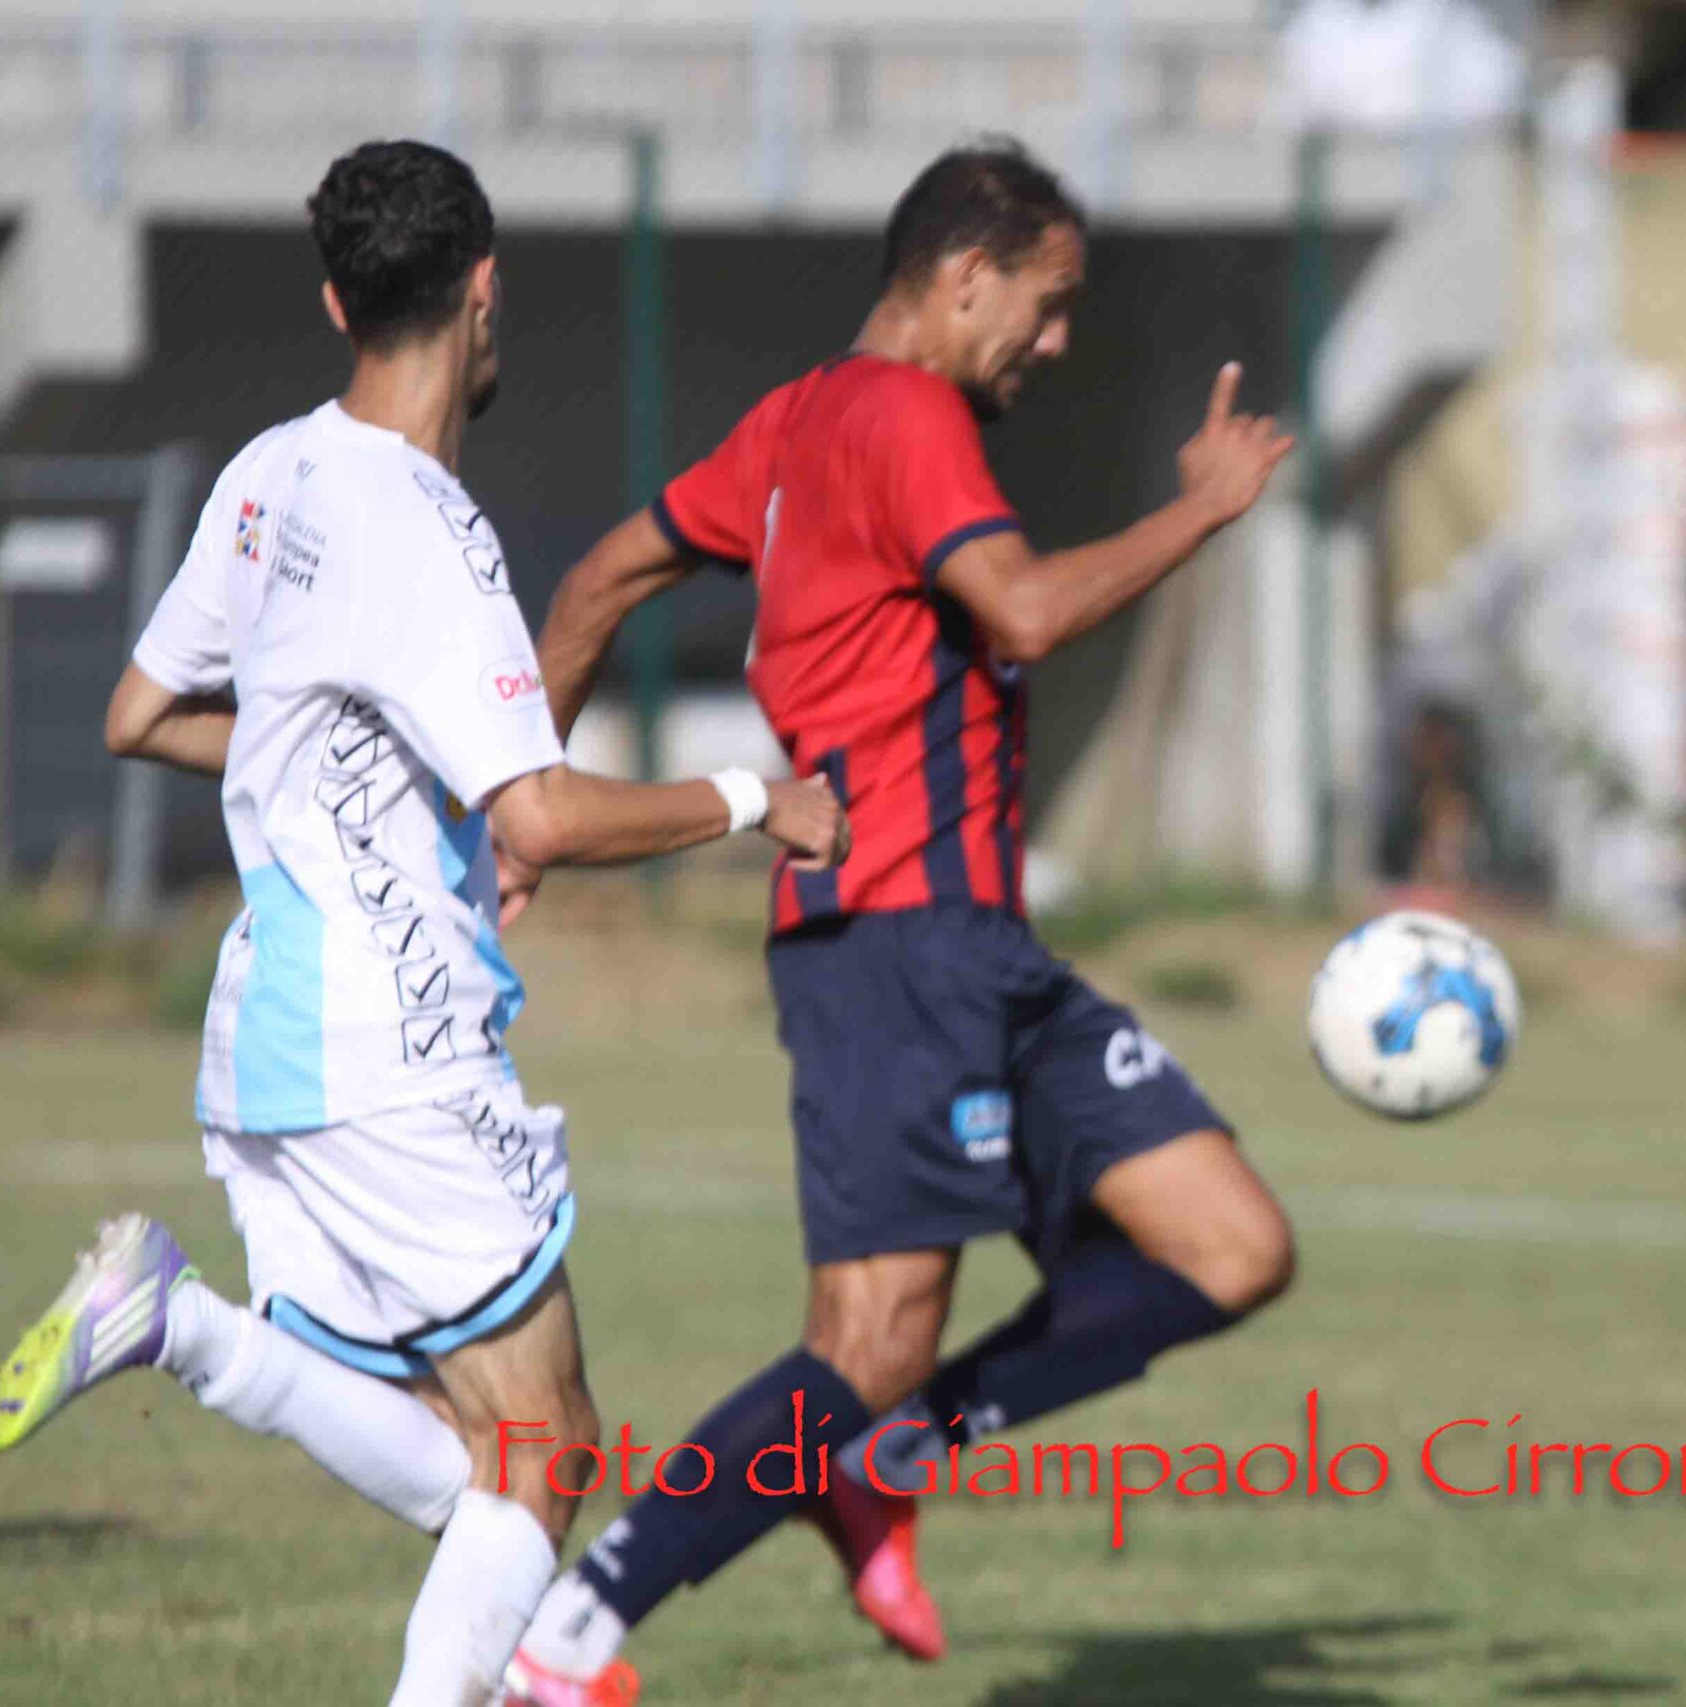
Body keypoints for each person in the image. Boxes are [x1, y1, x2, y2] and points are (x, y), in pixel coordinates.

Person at [0, 139, 846, 1707]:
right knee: (549, 1448)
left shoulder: (271, 472)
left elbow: (139, 714)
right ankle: (196, 1347)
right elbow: (544, 818)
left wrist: (344, 779)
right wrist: (752, 798)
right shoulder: (433, 532)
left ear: (337, 301)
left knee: (481, 1460)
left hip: (269, 1037)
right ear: (483, 288)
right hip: (393, 1046)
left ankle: (181, 1325)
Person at [500, 138, 1299, 1706]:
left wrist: (516, 805)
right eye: (1048, 304)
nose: (1055, 342)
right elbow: (1023, 610)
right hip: (892, 942)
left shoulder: (795, 425)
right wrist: (1201, 510)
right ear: (965, 276)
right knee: (866, 1342)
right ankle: (563, 1635)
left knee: (1231, 1244)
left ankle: (885, 1459)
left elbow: (594, 584)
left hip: (982, 949)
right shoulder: (906, 412)